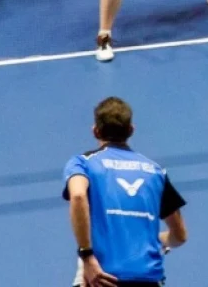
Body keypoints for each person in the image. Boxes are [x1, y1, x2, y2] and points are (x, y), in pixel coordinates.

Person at [65, 97, 188, 286]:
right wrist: (155, 240)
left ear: (95, 131)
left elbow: (78, 195)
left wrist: (87, 254)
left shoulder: (83, 163)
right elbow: (179, 236)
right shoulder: (155, 172)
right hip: (147, 281)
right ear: (131, 130)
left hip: (101, 279)